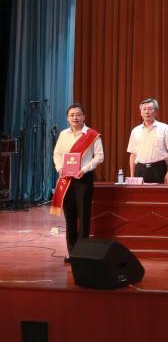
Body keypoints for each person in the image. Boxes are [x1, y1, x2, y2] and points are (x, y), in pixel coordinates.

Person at [52, 103, 104, 263]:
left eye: (78, 114)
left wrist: (85, 169)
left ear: (84, 116)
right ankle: (72, 252)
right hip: (66, 179)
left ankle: (83, 252)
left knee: (84, 215)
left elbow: (99, 156)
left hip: (83, 179)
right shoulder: (63, 134)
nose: (75, 117)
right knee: (70, 217)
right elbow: (57, 154)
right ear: (68, 118)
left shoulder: (92, 135)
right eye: (72, 115)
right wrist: (59, 168)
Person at [126, 98, 168, 184]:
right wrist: (132, 175)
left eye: (150, 109)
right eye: (144, 109)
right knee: (139, 193)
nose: (146, 112)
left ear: (156, 112)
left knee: (160, 193)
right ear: (141, 112)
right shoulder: (135, 130)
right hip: (140, 170)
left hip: (159, 169)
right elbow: (133, 154)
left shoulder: (164, 128)